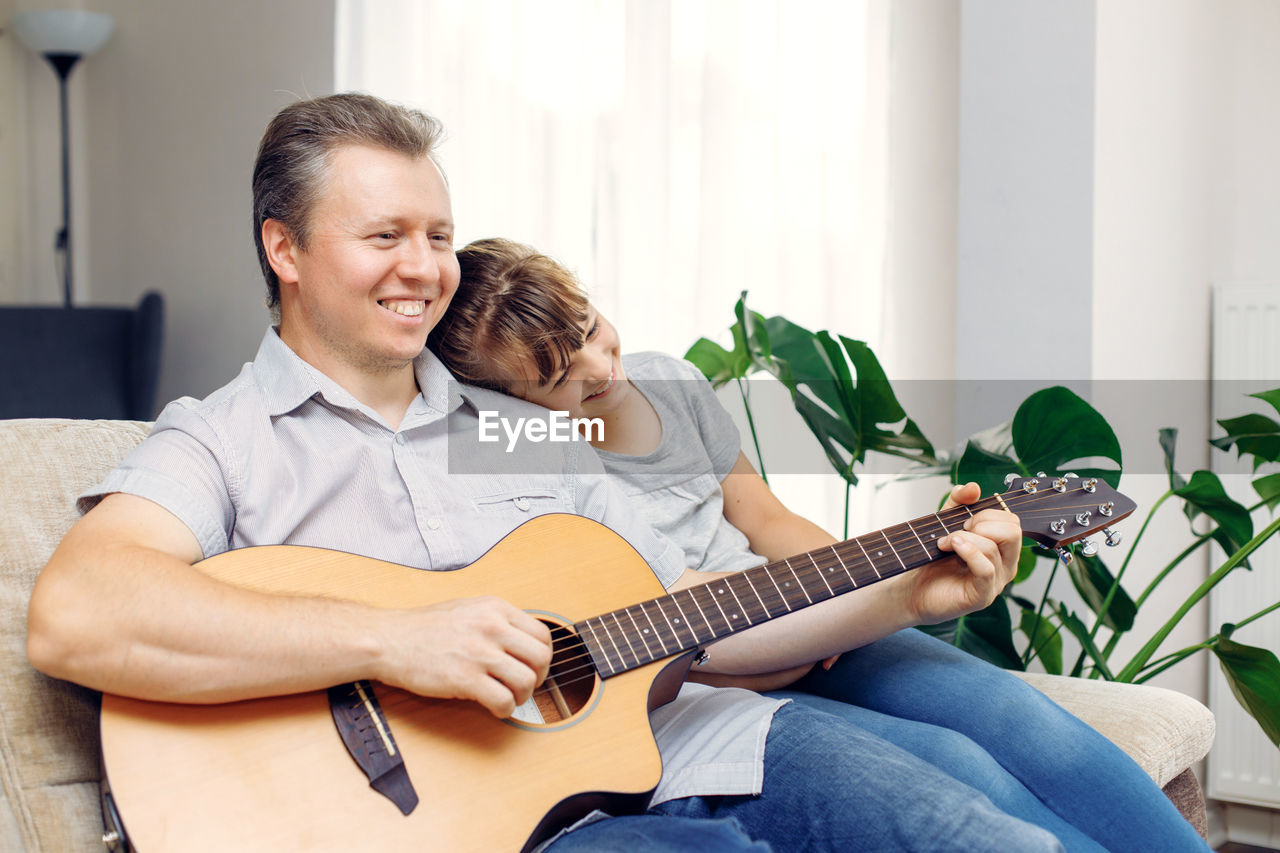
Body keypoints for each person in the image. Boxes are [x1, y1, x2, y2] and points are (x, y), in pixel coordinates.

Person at [24, 93, 1053, 852]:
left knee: (972, 830)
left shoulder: (513, 425)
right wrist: (398, 639)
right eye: (382, 236)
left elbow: (680, 605)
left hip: (672, 743)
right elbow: (78, 612)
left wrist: (907, 588)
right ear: (283, 250)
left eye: (434, 236)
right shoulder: (223, 438)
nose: (423, 269)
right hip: (467, 823)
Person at [428, 236, 1213, 852]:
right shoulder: (527, 458)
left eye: (590, 326)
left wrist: (849, 589)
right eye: (566, 373)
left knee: (1016, 712)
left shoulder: (669, 381)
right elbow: (688, 622)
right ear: (510, 403)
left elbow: (764, 518)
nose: (603, 364)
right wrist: (816, 625)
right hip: (708, 664)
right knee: (959, 764)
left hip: (804, 611)